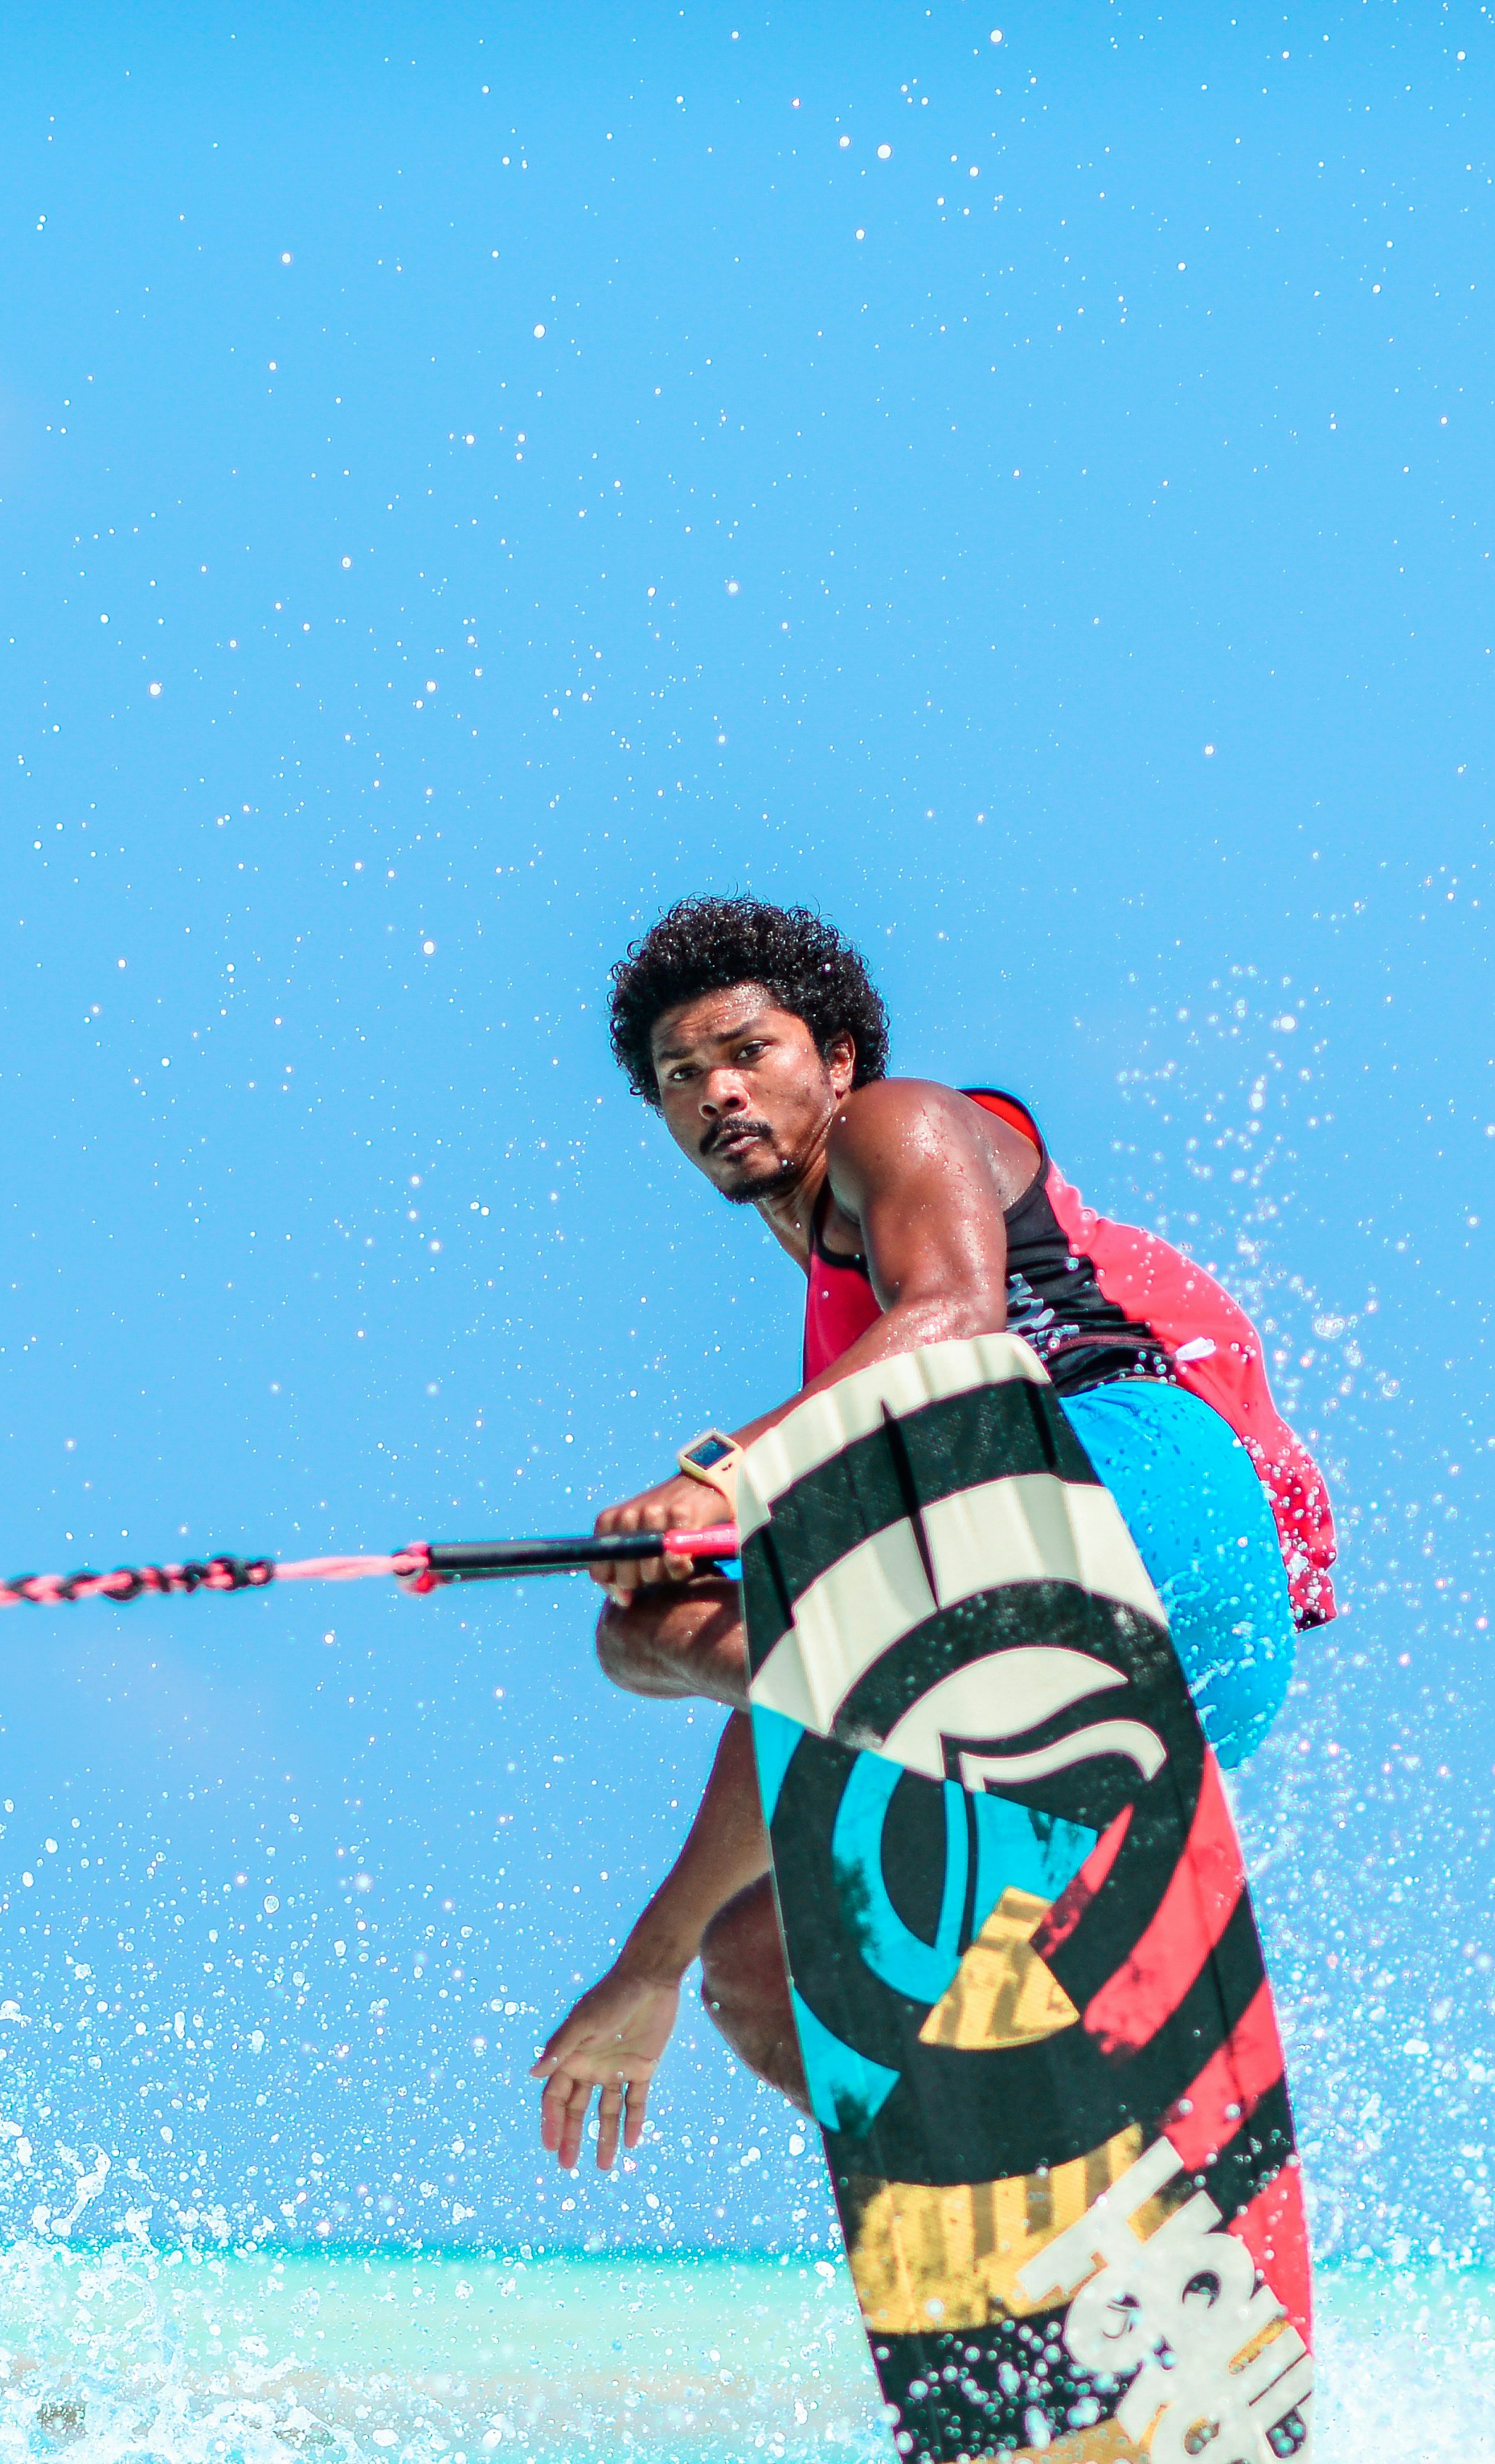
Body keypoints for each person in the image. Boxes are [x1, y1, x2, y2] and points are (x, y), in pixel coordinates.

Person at [531, 895, 1337, 2168]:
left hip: (1139, 1496)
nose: (717, 1092)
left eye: (749, 1052)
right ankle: (1031, 2185)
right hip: (1156, 1678)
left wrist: (731, 1478)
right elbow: (795, 1694)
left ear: (838, 1059)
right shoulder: (839, 1352)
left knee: (667, 1625)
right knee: (758, 1957)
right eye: (681, 1076)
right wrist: (652, 1967)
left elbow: (961, 1313)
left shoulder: (899, 1121)